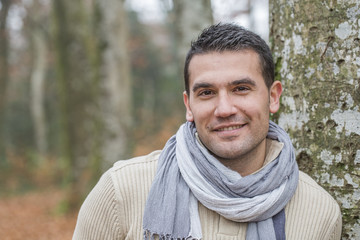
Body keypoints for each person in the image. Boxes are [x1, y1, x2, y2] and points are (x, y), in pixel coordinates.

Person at [72, 23, 342, 240]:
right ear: (189, 105)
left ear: (273, 97)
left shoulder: (318, 211)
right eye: (207, 93)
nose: (224, 109)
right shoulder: (120, 191)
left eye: (241, 89)